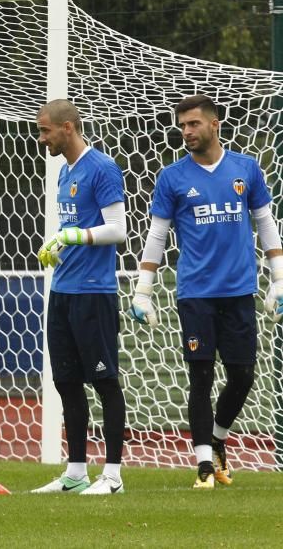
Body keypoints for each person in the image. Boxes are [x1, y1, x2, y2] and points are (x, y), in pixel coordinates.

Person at [128, 94, 283, 489]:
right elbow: (157, 235)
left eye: (193, 124)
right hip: (195, 292)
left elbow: (265, 225)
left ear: (214, 124)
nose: (186, 132)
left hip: (239, 291)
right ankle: (202, 465)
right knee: (200, 376)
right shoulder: (172, 178)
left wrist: (279, 278)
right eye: (182, 126)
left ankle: (217, 437)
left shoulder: (245, 169)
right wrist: (143, 290)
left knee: (243, 375)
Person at [31, 99, 129, 496]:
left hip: (94, 292)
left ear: (67, 128)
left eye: (45, 131)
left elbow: (117, 229)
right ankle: (75, 472)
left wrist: (74, 235)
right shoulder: (64, 172)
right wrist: (57, 247)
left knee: (105, 382)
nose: (41, 139)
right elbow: (72, 225)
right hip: (64, 290)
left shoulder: (102, 168)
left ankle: (114, 476)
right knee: (66, 381)